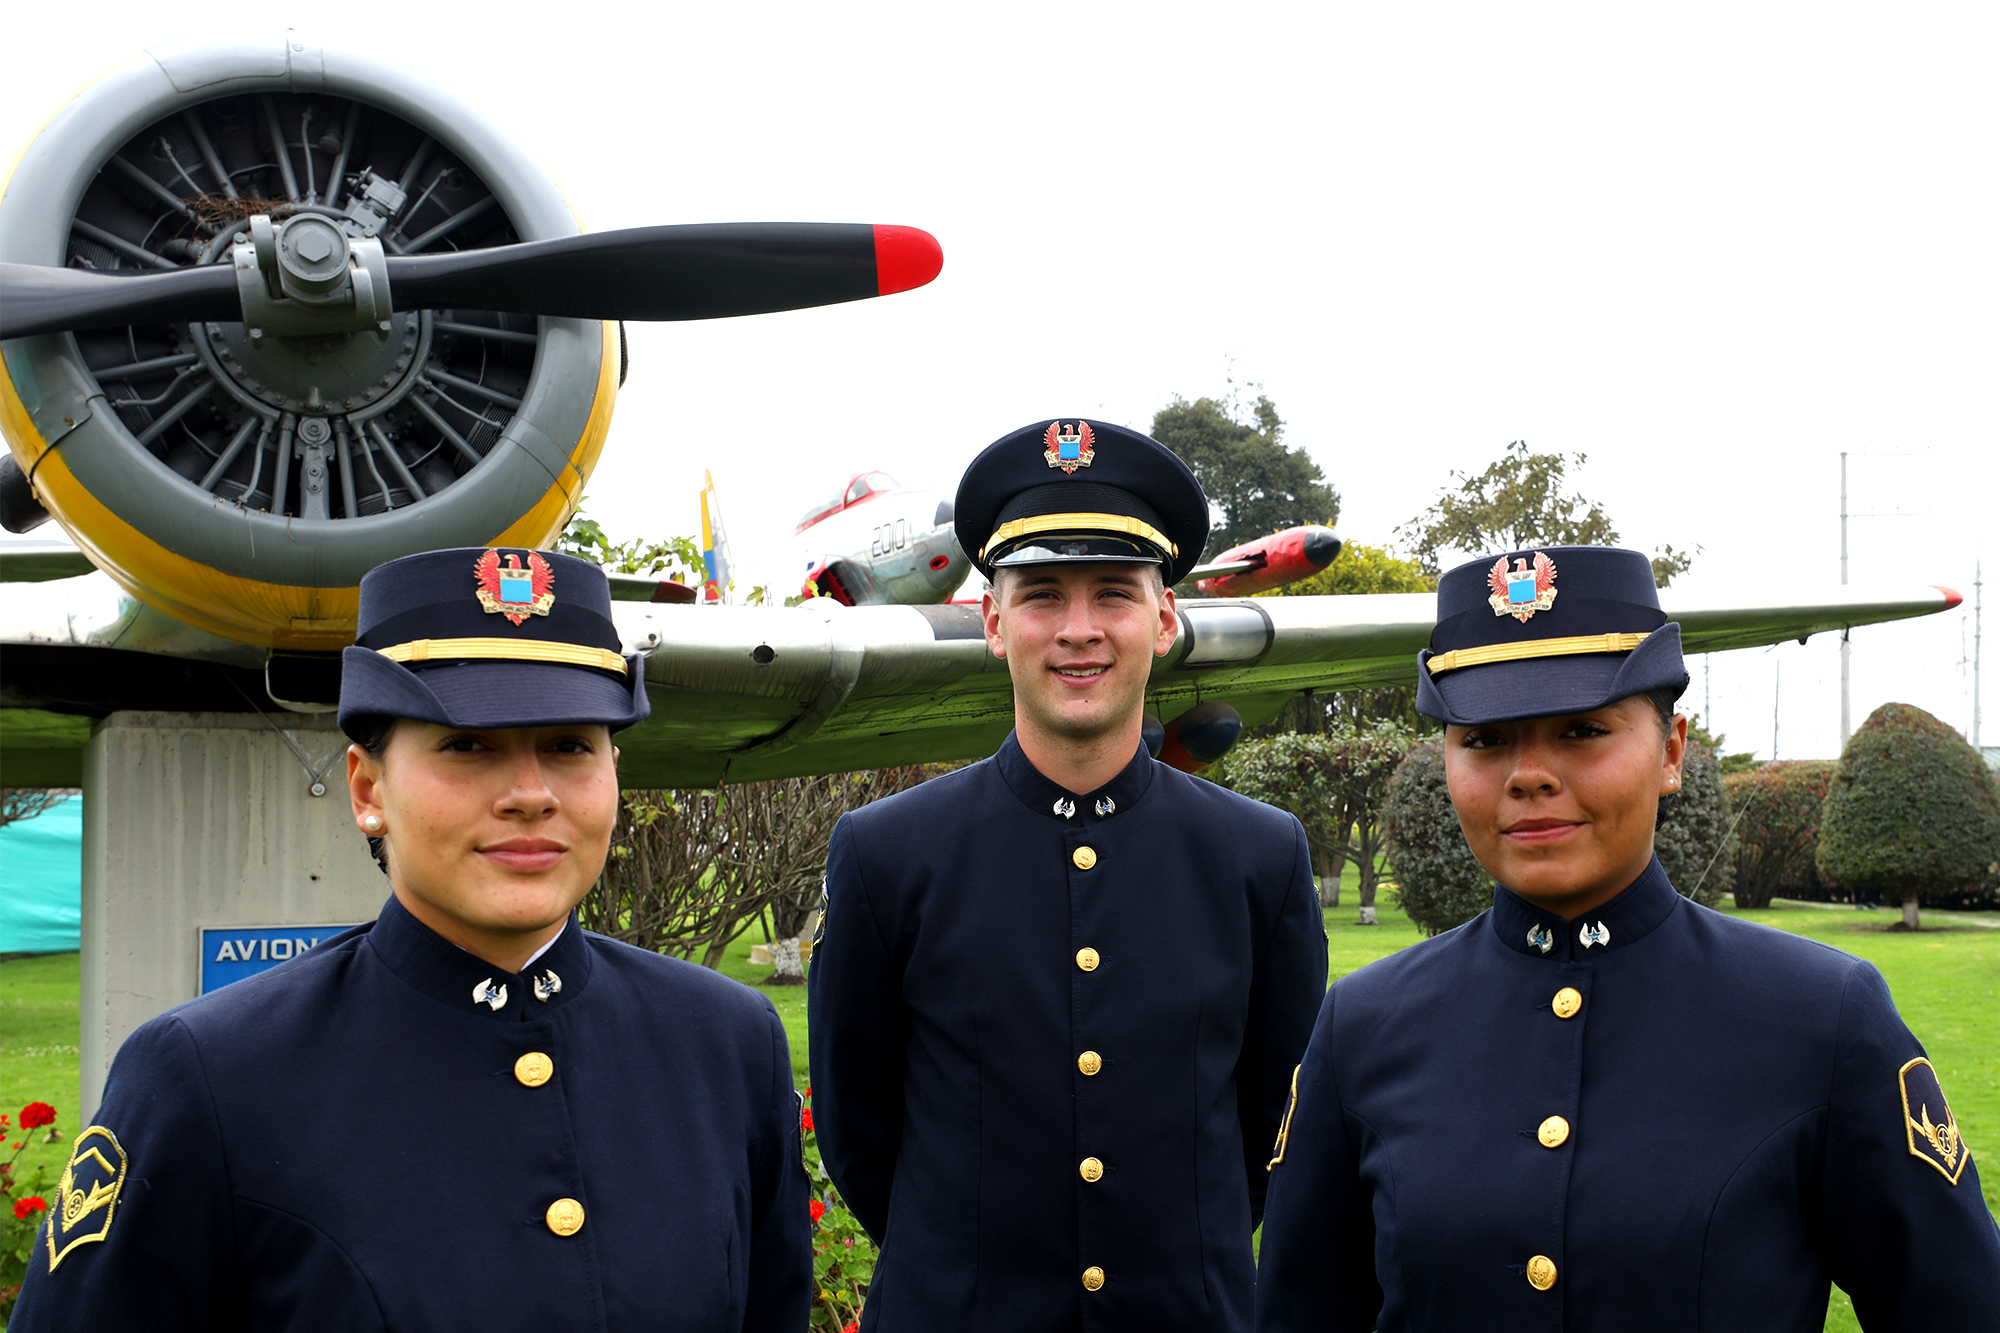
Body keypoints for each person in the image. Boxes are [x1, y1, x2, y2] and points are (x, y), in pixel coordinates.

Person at [12, 547, 810, 1331]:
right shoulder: (210, 1078)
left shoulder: (725, 1044)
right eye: (467, 744)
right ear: (367, 788)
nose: (530, 794)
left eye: (571, 745)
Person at [1254, 545, 2000, 1332]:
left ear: (1672, 749)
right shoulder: (1363, 1027)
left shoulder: (1821, 1017)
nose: (1528, 774)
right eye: (1484, 739)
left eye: (1582, 730)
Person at [808, 419, 1328, 1332]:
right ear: (993, 621)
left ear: (1165, 619)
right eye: (1042, 594)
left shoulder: (1257, 856)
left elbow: (1269, 1129)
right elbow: (861, 1132)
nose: (1079, 629)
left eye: (1115, 594)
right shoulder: (888, 855)